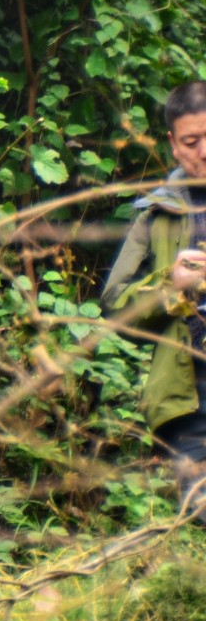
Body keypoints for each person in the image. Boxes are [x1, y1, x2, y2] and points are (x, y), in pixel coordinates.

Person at [102, 80, 206, 522]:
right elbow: (113, 304)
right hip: (188, 393)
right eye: (191, 141)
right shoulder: (157, 213)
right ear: (172, 143)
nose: (203, 151)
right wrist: (171, 285)